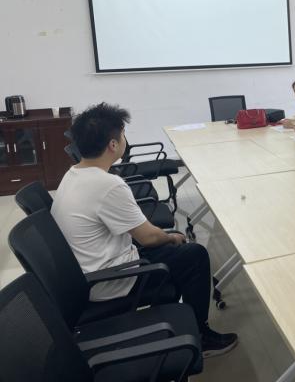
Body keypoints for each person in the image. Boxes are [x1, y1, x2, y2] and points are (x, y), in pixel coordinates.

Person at [51, 103, 238, 357]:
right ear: (113, 145)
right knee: (194, 255)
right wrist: (171, 237)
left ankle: (174, 321)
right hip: (110, 279)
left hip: (85, 274)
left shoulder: (73, 174)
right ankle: (201, 336)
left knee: (175, 252)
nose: (125, 139)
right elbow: (148, 237)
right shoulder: (108, 184)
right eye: (123, 134)